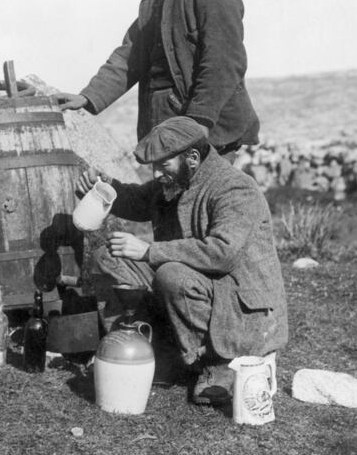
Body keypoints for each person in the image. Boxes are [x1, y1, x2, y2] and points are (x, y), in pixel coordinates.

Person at [76, 116, 287, 405]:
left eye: (164, 164)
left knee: (171, 274)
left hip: (239, 306)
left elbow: (222, 252)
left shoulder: (235, 189)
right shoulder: (175, 180)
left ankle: (218, 365)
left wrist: (150, 251)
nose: (157, 173)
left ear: (192, 157)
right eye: (153, 166)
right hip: (198, 287)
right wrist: (102, 186)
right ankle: (141, 347)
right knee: (109, 257)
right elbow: (136, 200)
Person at [56, 0, 259, 163]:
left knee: (204, 202)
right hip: (164, 126)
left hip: (206, 131)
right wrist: (88, 97)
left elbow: (223, 62)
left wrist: (199, 121)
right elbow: (130, 55)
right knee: (168, 203)